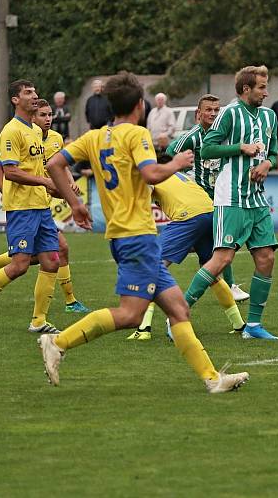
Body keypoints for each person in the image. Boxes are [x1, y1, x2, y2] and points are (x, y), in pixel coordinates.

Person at [41, 71, 248, 393]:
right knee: (130, 314)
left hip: (129, 236)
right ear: (141, 105)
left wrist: (75, 203)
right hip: (135, 236)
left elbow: (55, 163)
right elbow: (151, 173)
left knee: (178, 309)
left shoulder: (94, 137)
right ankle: (58, 341)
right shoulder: (136, 134)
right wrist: (177, 163)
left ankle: (213, 379)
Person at [0, 99, 90, 314]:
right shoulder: (20, 132)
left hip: (41, 204)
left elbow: (58, 166)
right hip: (25, 206)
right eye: (43, 115)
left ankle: (43, 317)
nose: (48, 119)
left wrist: (68, 183)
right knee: (28, 260)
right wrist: (9, 191)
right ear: (33, 117)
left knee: (51, 254)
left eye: (50, 114)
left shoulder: (55, 139)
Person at [186, 65, 278, 340]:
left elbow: (273, 152)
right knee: (222, 259)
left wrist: (266, 164)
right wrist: (240, 147)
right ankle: (178, 314)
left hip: (256, 197)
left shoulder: (270, 116)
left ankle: (252, 326)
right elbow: (207, 149)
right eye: (261, 87)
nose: (266, 92)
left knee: (266, 257)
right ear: (245, 89)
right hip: (231, 197)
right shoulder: (229, 113)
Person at [0, 80, 61, 336]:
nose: (34, 95)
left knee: (52, 260)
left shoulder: (34, 131)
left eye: (35, 92)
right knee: (18, 265)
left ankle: (39, 321)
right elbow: (10, 171)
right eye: (28, 93)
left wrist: (52, 187)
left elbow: (36, 169)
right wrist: (43, 182)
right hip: (22, 208)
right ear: (15, 100)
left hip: (40, 206)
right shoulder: (11, 131)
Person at [125, 159, 245, 341]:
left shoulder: (147, 175)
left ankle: (144, 328)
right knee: (211, 272)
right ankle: (238, 324)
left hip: (188, 216)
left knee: (152, 267)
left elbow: (142, 199)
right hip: (210, 212)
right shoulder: (173, 172)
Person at [165, 94, 249, 302]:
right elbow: (169, 153)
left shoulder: (221, 133)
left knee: (220, 244)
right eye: (208, 110)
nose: (212, 113)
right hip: (200, 200)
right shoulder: (192, 136)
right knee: (222, 242)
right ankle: (228, 286)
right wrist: (183, 172)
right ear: (198, 114)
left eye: (216, 110)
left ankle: (226, 287)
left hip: (219, 194)